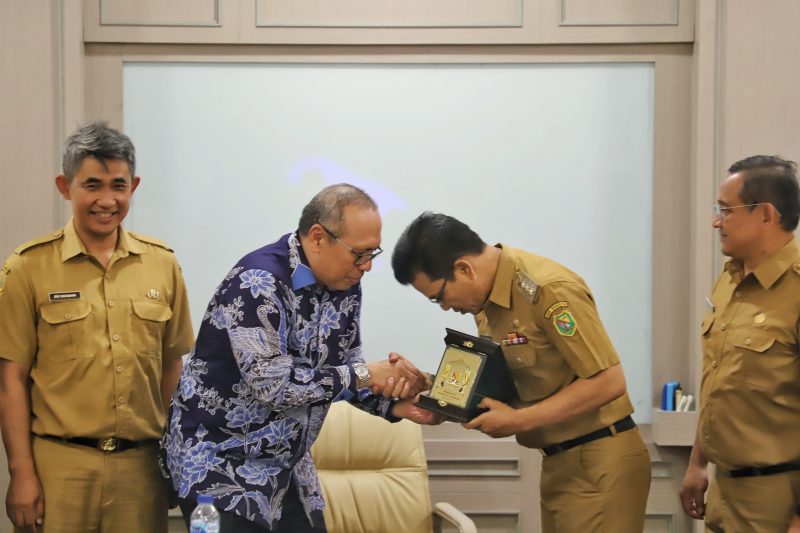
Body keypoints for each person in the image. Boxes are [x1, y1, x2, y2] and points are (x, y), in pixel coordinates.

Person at [162, 183, 438, 532]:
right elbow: (275, 386)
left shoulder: (346, 282)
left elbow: (347, 368)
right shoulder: (257, 283)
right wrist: (366, 374)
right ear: (319, 237)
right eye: (359, 254)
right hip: (218, 466)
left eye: (373, 253)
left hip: (285, 468)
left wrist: (399, 406)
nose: (366, 266)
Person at [391, 212, 651, 532]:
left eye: (439, 297)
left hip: (598, 462)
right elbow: (514, 383)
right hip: (559, 462)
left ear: (463, 268)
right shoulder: (488, 302)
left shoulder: (548, 289)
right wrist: (440, 395)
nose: (445, 307)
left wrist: (518, 421)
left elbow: (608, 381)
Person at [0, 121, 194, 532]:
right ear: (65, 186)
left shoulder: (162, 264)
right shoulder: (27, 267)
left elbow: (172, 369)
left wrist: (176, 457)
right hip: (60, 467)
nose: (107, 200)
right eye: (92, 185)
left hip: (141, 468)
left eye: (118, 186)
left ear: (133, 186)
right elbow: (10, 380)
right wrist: (21, 473)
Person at [679, 155, 800, 532]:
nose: (716, 221)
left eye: (726, 211)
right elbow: (719, 381)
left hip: (776, 501)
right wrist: (698, 463)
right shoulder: (731, 280)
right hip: (725, 493)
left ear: (766, 215)